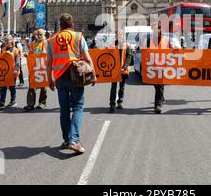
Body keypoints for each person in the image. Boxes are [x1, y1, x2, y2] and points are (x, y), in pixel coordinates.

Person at [47, 13, 96, 154]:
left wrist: (49, 79)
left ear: (60, 25)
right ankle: (74, 140)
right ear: (72, 24)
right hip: (76, 76)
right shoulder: (78, 37)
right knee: (78, 107)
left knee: (64, 109)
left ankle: (67, 140)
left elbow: (49, 63)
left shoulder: (51, 40)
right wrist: (93, 74)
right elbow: (87, 57)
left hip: (59, 77)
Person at [148, 21, 180, 114]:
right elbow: (147, 52)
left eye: (158, 29)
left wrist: (176, 50)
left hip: (164, 66)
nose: (157, 31)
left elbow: (171, 50)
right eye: (155, 29)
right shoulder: (150, 40)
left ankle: (158, 105)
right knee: (157, 86)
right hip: (153, 67)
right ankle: (161, 98)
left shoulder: (166, 39)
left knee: (160, 85)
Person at [24, 29, 48, 111]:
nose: (39, 35)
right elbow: (30, 53)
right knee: (32, 85)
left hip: (43, 67)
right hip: (34, 67)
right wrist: (27, 54)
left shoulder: (47, 43)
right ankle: (30, 104)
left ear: (44, 35)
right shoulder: (33, 44)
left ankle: (42, 103)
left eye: (41, 34)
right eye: (37, 34)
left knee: (43, 86)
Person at [108, 29, 132, 113]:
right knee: (113, 87)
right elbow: (107, 55)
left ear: (123, 35)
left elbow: (129, 57)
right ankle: (112, 104)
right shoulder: (112, 44)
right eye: (117, 34)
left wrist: (124, 68)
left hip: (123, 70)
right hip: (114, 70)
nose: (119, 36)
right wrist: (107, 49)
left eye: (120, 34)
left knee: (121, 87)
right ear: (116, 36)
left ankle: (119, 102)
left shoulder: (127, 45)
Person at [0, 36, 20, 109]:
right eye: (5, 40)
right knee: (3, 87)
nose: (6, 42)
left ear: (11, 40)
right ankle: (2, 102)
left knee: (12, 87)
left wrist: (15, 70)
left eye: (7, 40)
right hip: (4, 72)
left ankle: (13, 101)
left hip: (13, 72)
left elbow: (18, 62)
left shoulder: (16, 50)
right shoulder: (2, 49)